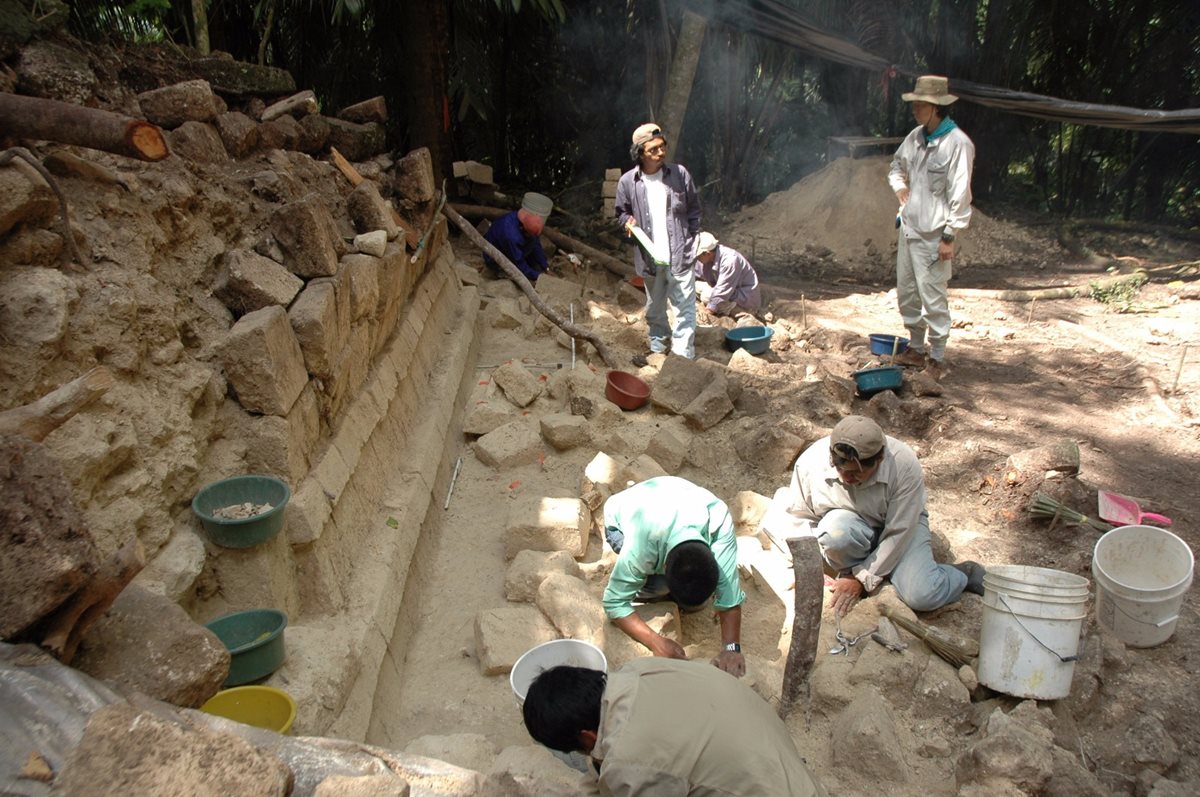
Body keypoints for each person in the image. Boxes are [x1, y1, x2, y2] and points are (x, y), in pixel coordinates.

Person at [765, 415, 985, 616]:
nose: (847, 478)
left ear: (879, 460)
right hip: (850, 529)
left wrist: (861, 579)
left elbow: (900, 531)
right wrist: (809, 567)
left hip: (898, 527)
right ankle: (862, 570)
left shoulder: (903, 465)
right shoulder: (811, 462)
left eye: (857, 473)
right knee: (836, 532)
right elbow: (799, 517)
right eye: (842, 470)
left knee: (922, 595)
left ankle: (962, 574)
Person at [522, 658, 827, 796]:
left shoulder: (628, 762)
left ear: (586, 736)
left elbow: (626, 765)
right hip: (786, 769)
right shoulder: (639, 671)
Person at [601, 476, 745, 677]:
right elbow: (613, 603)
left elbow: (729, 596)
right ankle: (656, 589)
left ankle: (677, 592)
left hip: (674, 497)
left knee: (694, 604)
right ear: (664, 566)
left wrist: (732, 649)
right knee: (658, 587)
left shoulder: (718, 522)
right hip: (624, 516)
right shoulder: (642, 546)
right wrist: (656, 641)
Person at [887, 75, 975, 381]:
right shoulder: (915, 138)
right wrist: (900, 187)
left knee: (933, 295)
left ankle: (937, 356)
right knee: (907, 292)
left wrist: (950, 235)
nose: (914, 110)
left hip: (935, 234)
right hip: (909, 228)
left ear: (936, 107)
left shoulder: (958, 144)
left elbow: (960, 194)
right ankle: (915, 347)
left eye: (919, 104)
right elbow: (897, 166)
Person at [615, 123, 702, 359]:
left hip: (680, 254)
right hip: (650, 257)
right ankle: (657, 346)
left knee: (684, 308)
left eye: (662, 147)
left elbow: (694, 211)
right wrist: (627, 223)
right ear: (639, 153)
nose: (661, 153)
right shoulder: (627, 182)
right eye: (653, 150)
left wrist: (692, 242)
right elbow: (621, 214)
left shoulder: (680, 174)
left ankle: (682, 358)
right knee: (655, 308)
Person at [482, 191, 554, 283]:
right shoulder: (511, 236)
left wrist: (546, 266)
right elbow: (519, 262)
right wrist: (539, 276)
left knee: (536, 263)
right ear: (522, 227)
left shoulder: (524, 218)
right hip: (494, 255)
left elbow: (536, 244)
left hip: (510, 245)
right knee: (521, 273)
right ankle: (498, 271)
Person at [691, 231, 764, 320]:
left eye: (698, 256)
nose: (697, 258)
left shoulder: (730, 261)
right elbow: (693, 273)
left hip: (743, 297)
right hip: (726, 291)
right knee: (692, 286)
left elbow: (722, 290)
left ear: (708, 253)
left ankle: (741, 314)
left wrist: (709, 310)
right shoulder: (707, 259)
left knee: (707, 296)